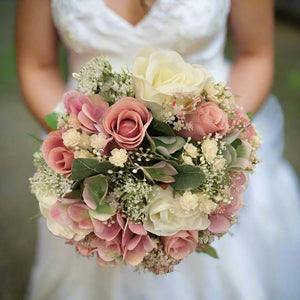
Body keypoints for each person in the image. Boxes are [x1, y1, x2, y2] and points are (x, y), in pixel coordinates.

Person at [16, 0, 300, 299]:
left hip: (210, 148)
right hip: (89, 155)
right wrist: (86, 147)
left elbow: (255, 55)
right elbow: (37, 65)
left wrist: (211, 147)